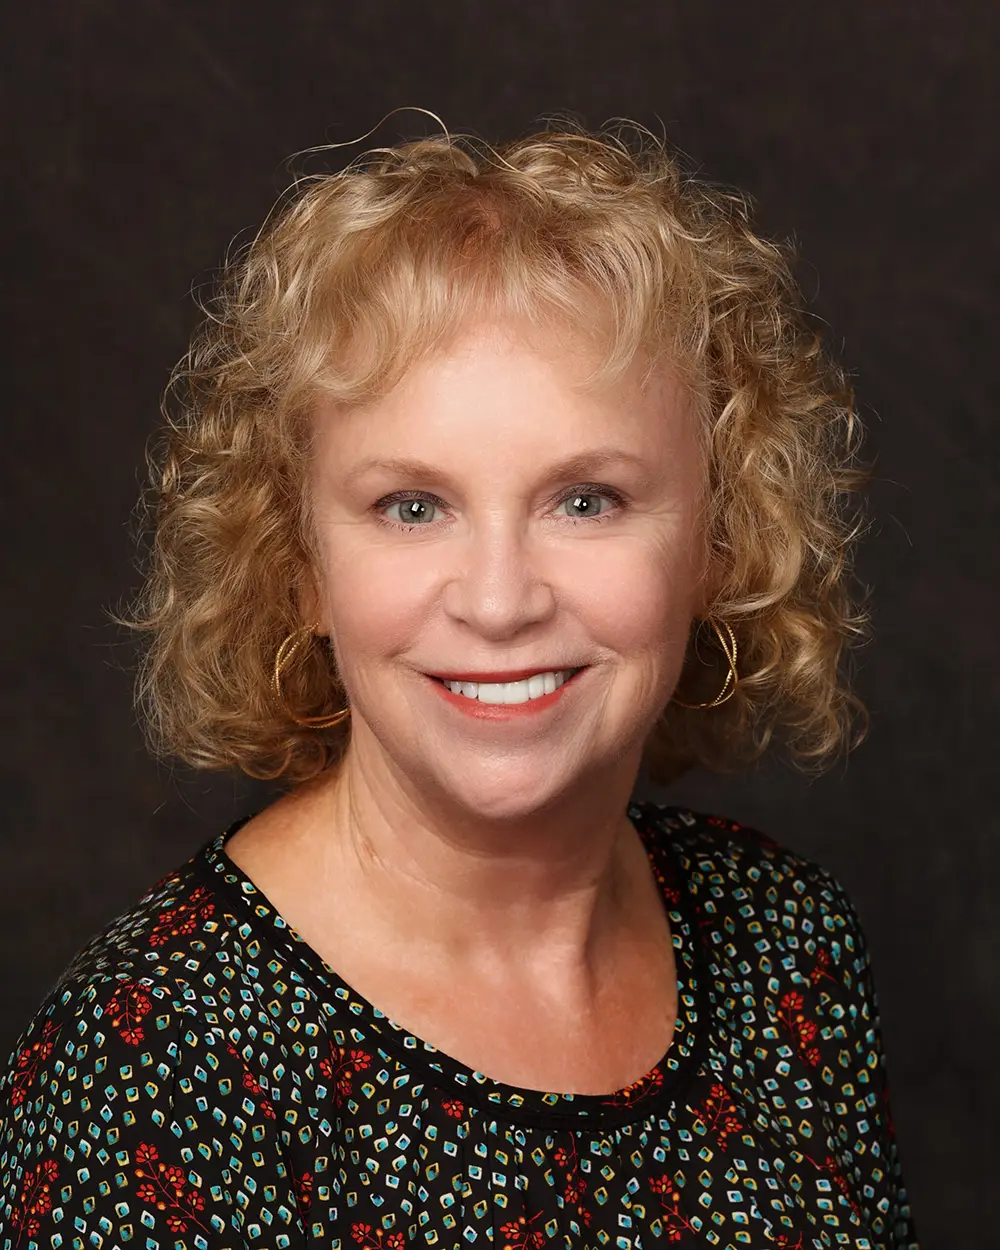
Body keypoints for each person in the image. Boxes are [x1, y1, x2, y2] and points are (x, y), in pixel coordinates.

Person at [0, 123, 918, 1249]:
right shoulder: (159, 1060)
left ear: (720, 540)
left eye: (584, 498)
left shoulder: (784, 941)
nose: (496, 600)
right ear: (299, 569)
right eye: (411, 506)